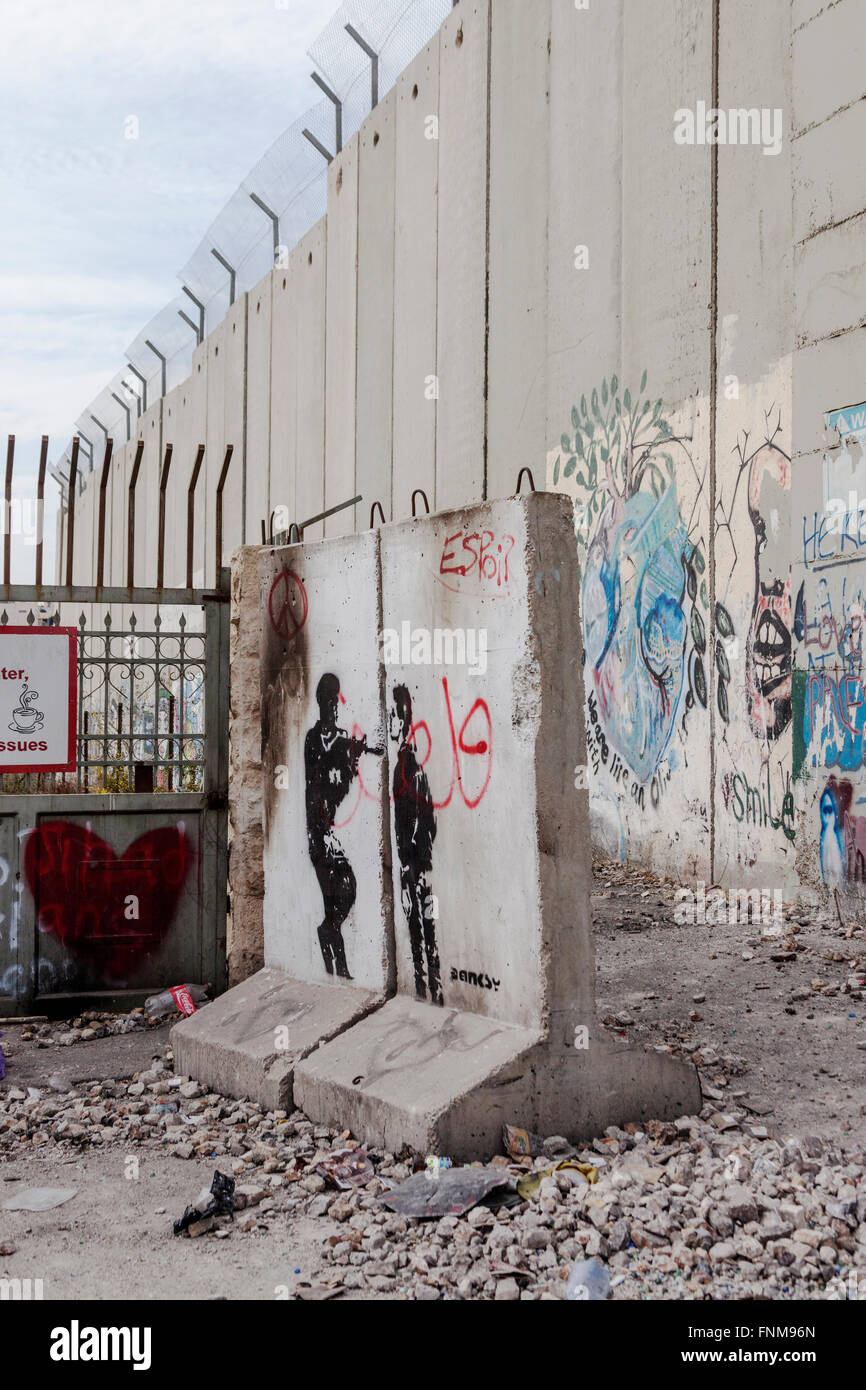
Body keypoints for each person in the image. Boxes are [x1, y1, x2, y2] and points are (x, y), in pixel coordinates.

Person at [305, 673, 381, 979]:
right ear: (322, 702)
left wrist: (356, 754)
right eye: (331, 700)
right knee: (334, 895)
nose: (335, 706)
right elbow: (314, 784)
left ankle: (333, 945)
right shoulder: (314, 738)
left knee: (344, 893)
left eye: (337, 700)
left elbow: (346, 774)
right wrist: (320, 834)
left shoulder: (340, 737)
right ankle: (339, 964)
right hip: (318, 831)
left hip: (332, 831)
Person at [390, 684, 442, 1006]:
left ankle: (430, 984)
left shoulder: (410, 767)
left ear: (404, 718)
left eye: (395, 716)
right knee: (419, 925)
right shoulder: (401, 766)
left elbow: (427, 816)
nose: (392, 722)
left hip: (417, 866)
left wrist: (416, 860)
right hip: (411, 865)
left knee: (425, 925)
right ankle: (425, 984)